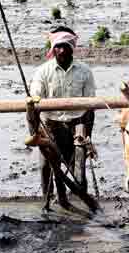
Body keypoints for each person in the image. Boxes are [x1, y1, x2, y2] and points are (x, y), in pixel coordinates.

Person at [29, 27, 96, 194]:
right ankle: (48, 197)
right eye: (58, 46)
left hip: (77, 125)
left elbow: (90, 106)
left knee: (78, 168)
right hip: (50, 124)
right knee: (47, 166)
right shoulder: (43, 71)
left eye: (66, 46)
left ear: (72, 48)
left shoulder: (85, 71)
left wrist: (88, 136)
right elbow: (35, 100)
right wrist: (36, 131)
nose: (62, 50)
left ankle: (82, 198)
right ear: (53, 49)